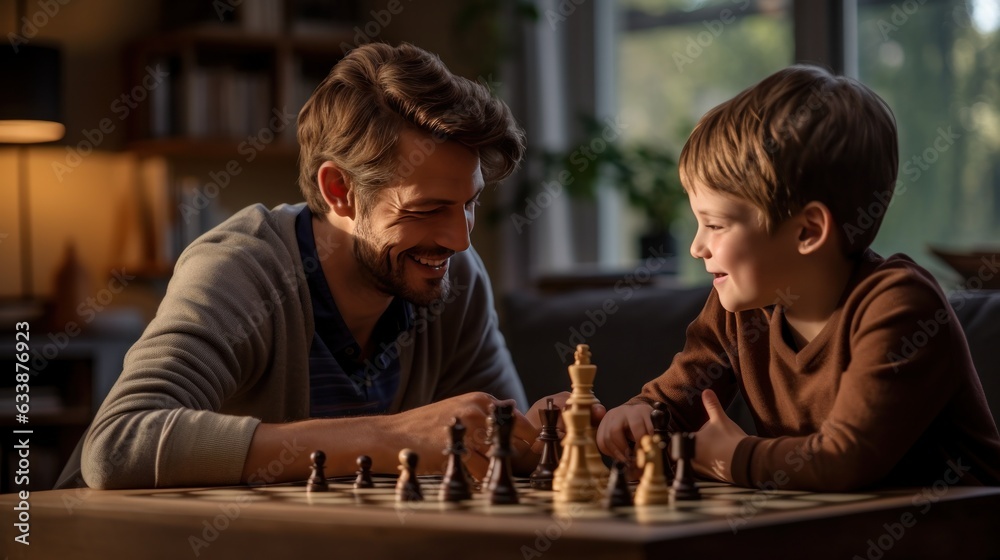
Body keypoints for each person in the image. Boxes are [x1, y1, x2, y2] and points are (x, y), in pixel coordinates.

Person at [64, 42, 545, 490]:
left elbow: (503, 450)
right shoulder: (242, 271)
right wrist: (393, 437)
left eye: (469, 204)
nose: (459, 239)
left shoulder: (454, 276)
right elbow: (118, 446)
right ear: (339, 190)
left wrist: (546, 432)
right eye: (426, 209)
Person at [596, 65, 1000, 491]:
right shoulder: (741, 306)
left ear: (808, 231)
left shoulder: (900, 306)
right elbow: (672, 405)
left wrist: (735, 457)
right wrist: (638, 414)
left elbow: (846, 460)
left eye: (714, 225)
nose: (697, 247)